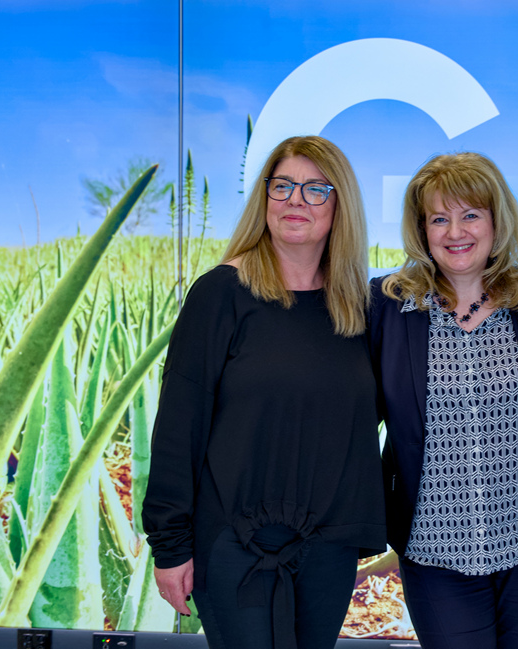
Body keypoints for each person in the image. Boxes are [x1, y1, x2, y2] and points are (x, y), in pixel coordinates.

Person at [142, 135, 386, 649]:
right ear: (265, 198)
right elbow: (179, 425)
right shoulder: (220, 294)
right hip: (235, 542)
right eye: (283, 186)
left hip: (328, 547)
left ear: (340, 206)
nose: (296, 200)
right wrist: (170, 545)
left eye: (316, 189)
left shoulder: (358, 307)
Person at [368, 152, 518, 649]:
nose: (455, 232)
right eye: (439, 218)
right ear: (422, 230)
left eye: (471, 215)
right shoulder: (386, 306)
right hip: (433, 547)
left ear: (497, 221)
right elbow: (351, 414)